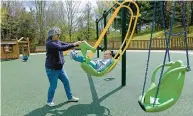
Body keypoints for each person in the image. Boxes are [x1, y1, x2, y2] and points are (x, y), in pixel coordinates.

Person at [45, 27, 82, 107]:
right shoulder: (50, 43)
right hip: (52, 69)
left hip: (59, 68)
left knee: (66, 81)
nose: (59, 36)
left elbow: (64, 44)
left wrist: (74, 44)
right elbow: (61, 48)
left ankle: (70, 97)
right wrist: (73, 44)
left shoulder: (57, 41)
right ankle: (49, 101)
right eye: (57, 34)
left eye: (59, 34)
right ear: (52, 35)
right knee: (53, 86)